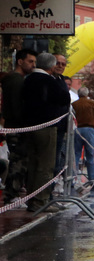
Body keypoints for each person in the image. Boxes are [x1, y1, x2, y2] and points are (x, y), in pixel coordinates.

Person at [20, 52, 70, 212]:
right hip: (47, 126)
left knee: (33, 163)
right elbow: (64, 98)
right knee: (46, 165)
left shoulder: (27, 80)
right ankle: (40, 201)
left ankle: (30, 198)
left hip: (29, 126)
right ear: (51, 66)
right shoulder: (49, 81)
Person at [1, 48, 36, 202]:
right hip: (17, 127)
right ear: (20, 61)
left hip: (15, 126)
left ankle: (12, 192)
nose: (33, 65)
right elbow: (16, 107)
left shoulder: (15, 79)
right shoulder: (16, 81)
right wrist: (23, 124)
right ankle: (11, 193)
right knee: (18, 162)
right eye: (30, 61)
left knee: (18, 160)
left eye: (34, 62)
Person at [72, 86, 94, 184]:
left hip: (77, 129)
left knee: (76, 155)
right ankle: (92, 179)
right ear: (87, 94)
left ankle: (73, 179)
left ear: (78, 94)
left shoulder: (74, 104)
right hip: (89, 130)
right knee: (90, 155)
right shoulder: (92, 103)